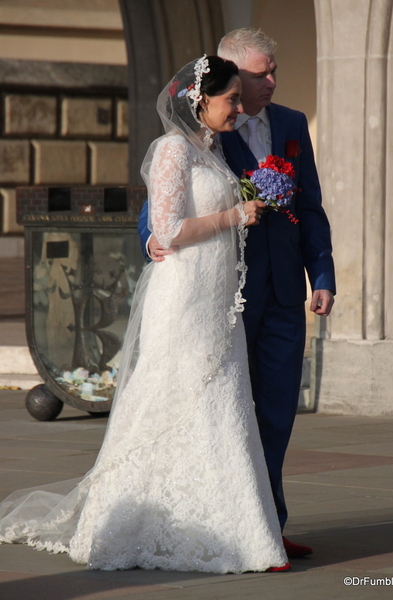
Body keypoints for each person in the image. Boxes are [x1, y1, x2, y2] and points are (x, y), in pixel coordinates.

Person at [0, 56, 290, 573]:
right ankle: (133, 523)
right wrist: (235, 215)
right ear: (200, 99)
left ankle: (236, 530)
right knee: (168, 401)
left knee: (221, 405)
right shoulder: (172, 150)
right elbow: (168, 230)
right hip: (182, 301)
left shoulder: (213, 150)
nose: (239, 109)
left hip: (216, 300)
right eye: (231, 100)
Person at [138, 29, 336, 558]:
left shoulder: (292, 124)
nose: (271, 82)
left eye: (274, 72)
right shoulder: (202, 129)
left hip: (284, 293)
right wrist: (154, 243)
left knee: (275, 412)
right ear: (228, 73)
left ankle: (268, 522)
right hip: (225, 294)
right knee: (229, 415)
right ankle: (237, 523)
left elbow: (310, 205)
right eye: (259, 73)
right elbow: (158, 211)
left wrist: (322, 274)